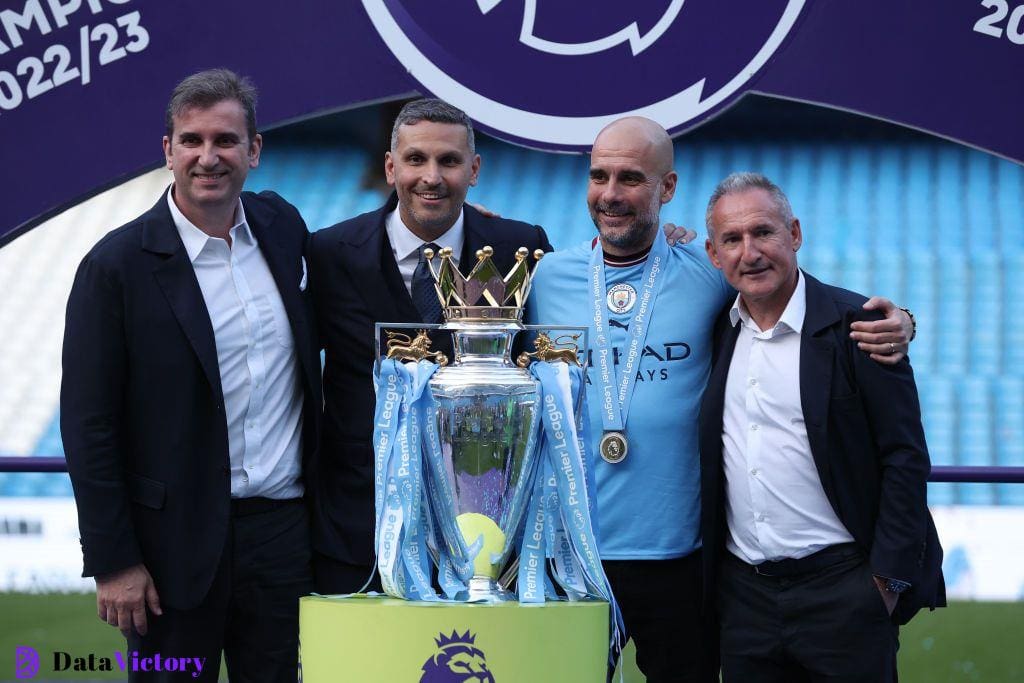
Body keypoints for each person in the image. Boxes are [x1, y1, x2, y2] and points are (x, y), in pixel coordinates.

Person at [526, 118, 914, 682]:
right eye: (599, 176)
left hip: (682, 561)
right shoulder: (545, 277)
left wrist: (903, 321)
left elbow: (799, 294)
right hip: (572, 555)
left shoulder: (708, 274)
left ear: (667, 188)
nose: (611, 193)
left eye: (631, 177)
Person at [61, 69, 320, 682]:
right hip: (168, 552)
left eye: (226, 141)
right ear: (168, 151)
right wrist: (114, 562)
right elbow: (88, 424)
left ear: (254, 151)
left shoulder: (283, 229)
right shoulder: (114, 267)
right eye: (192, 140)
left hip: (282, 539)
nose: (209, 157)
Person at [698, 172, 945, 682]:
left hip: (845, 592)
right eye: (732, 239)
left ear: (795, 234)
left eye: (763, 232)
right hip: (745, 599)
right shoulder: (713, 328)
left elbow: (905, 455)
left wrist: (885, 582)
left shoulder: (862, 327)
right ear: (713, 253)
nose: (750, 252)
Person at [306, 98, 554, 593]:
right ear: (390, 166)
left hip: (486, 526)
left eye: (450, 161)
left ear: (474, 170)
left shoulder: (520, 248)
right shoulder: (330, 252)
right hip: (359, 527)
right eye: (416, 159)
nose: (432, 177)